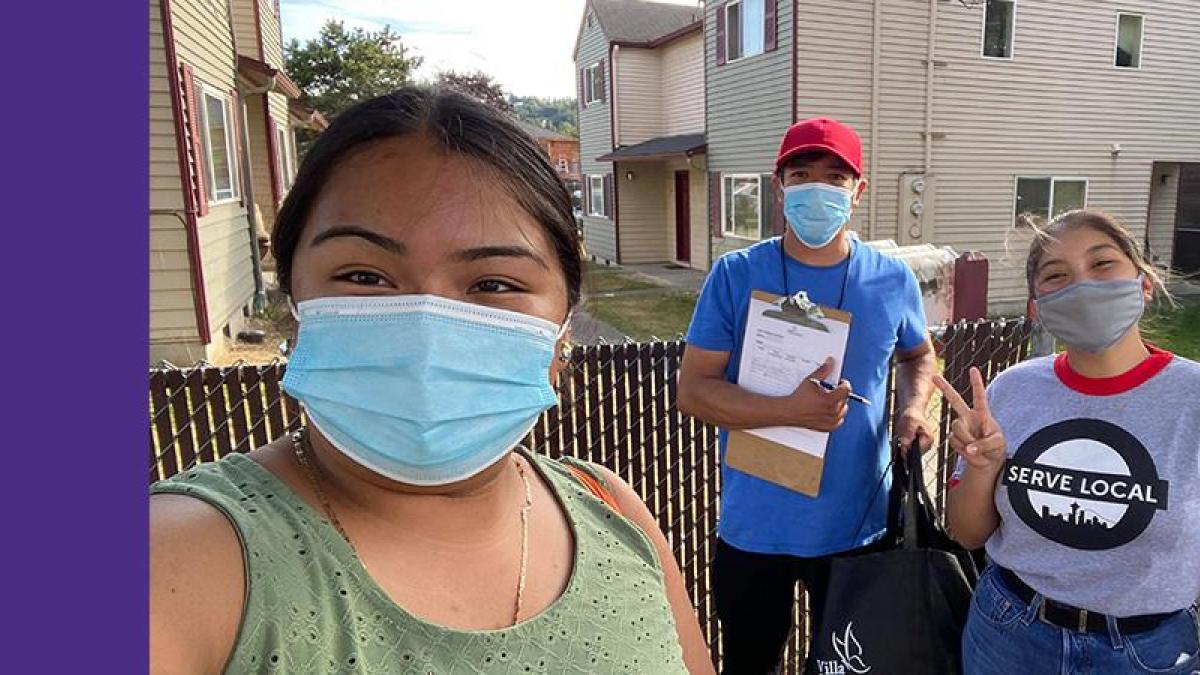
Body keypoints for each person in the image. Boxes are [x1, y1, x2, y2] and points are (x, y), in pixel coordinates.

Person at [150, 86, 715, 675]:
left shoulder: (612, 509)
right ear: (295, 301)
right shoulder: (181, 561)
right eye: (364, 276)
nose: (425, 327)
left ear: (563, 330)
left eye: (493, 284)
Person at [677, 117, 937, 673]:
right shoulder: (735, 274)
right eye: (801, 173)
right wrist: (787, 411)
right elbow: (694, 392)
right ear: (779, 187)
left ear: (858, 191)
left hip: (859, 528)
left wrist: (912, 408)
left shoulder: (891, 280)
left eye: (836, 177)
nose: (817, 187)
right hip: (755, 528)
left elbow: (919, 356)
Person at [937, 209, 1200, 674]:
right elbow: (966, 533)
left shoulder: (1191, 398)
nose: (1082, 285)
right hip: (1008, 634)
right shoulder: (1011, 389)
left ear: (1143, 283)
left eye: (1102, 265)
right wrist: (981, 468)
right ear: (1038, 306)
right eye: (1056, 275)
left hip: (1150, 652)